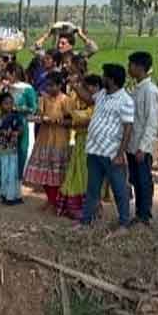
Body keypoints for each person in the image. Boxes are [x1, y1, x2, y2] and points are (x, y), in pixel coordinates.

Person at [76, 63, 134, 233]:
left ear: (112, 79)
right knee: (92, 189)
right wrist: (76, 85)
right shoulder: (102, 94)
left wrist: (120, 154)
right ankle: (85, 222)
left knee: (119, 189)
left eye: (104, 75)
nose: (102, 77)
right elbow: (87, 99)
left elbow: (128, 128)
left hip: (111, 153)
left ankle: (124, 224)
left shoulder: (126, 101)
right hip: (94, 149)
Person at [24, 72, 73, 211]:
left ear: (59, 85)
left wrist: (60, 121)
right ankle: (51, 199)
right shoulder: (43, 99)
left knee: (58, 172)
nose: (49, 88)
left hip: (59, 139)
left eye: (52, 85)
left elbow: (71, 120)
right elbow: (39, 115)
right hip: (44, 138)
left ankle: (56, 201)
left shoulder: (65, 100)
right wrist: (39, 118)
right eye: (47, 85)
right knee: (44, 171)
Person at [58, 74, 100, 220]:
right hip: (80, 141)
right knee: (78, 171)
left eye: (86, 90)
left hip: (90, 143)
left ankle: (84, 207)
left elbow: (84, 119)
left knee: (84, 173)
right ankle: (78, 206)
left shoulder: (97, 105)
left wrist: (68, 114)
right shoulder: (88, 105)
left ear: (95, 89)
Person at [126, 51, 158, 226]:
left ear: (139, 67)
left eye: (130, 64)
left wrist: (143, 147)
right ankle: (140, 213)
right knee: (136, 180)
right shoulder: (137, 88)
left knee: (143, 180)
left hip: (141, 146)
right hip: (133, 144)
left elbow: (151, 121)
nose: (128, 68)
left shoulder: (150, 91)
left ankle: (144, 214)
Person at [0, 93, 24, 205]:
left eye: (10, 103)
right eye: (6, 103)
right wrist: (0, 132)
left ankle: (9, 195)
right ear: (0, 105)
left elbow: (21, 129)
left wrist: (15, 133)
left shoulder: (15, 117)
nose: (9, 106)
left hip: (10, 150)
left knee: (9, 172)